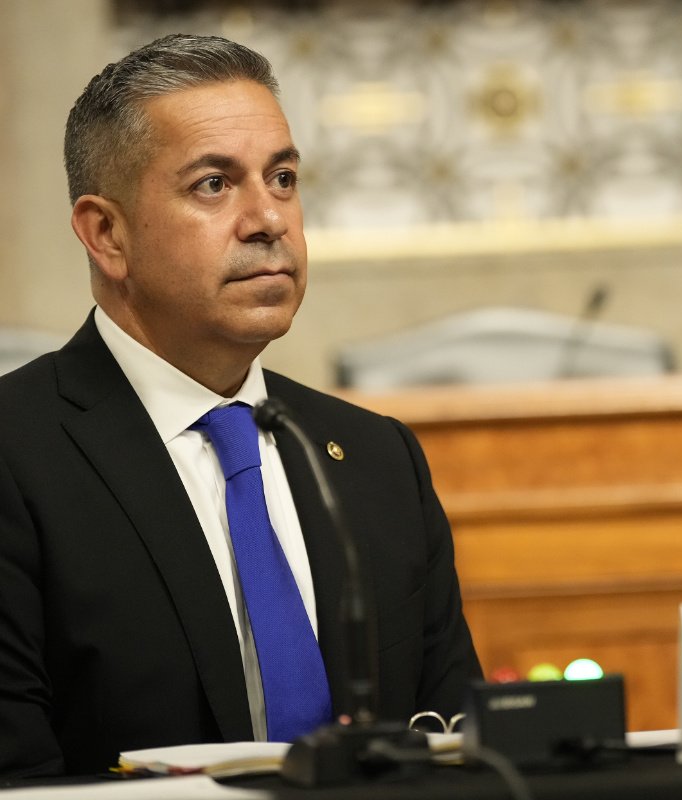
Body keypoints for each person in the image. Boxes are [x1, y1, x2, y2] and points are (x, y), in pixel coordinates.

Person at [0, 34, 481, 777]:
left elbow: (458, 746)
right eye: (213, 185)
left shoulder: (378, 459)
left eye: (283, 178)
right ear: (106, 233)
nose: (269, 220)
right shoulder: (17, 458)